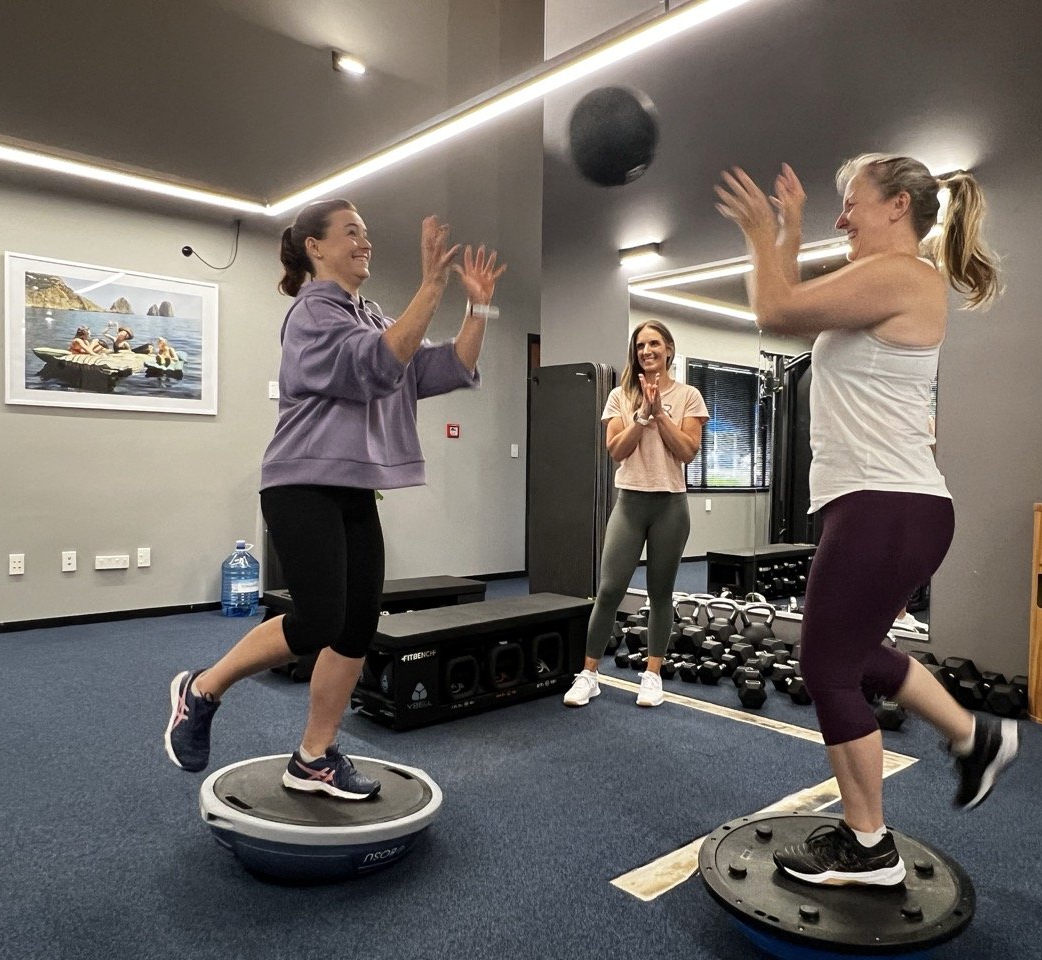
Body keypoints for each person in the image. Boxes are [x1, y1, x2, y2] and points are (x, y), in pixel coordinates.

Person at [714, 153, 1011, 886]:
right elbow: (790, 310)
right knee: (852, 654)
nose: (841, 218)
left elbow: (775, 310)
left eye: (852, 203)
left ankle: (868, 844)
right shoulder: (883, 283)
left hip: (885, 504)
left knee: (824, 667)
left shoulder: (904, 275)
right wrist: (783, 239)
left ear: (896, 207)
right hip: (887, 506)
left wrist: (766, 234)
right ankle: (974, 735)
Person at [164, 198, 505, 800]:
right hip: (299, 486)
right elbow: (378, 364)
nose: (365, 242)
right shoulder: (311, 316)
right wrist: (430, 285)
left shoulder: (370, 316)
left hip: (352, 490)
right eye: (352, 233)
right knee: (318, 618)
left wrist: (476, 304)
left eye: (367, 233)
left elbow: (447, 367)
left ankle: (313, 756)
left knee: (356, 626)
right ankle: (202, 689)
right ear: (315, 247)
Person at [563, 320, 707, 709]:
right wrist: (642, 413)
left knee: (661, 594)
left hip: (670, 506)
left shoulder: (689, 396)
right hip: (630, 503)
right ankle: (589, 674)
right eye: (641, 345)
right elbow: (616, 451)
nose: (647, 351)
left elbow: (687, 451)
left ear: (669, 349)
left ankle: (652, 675)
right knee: (609, 590)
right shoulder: (618, 398)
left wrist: (661, 414)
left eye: (655, 344)